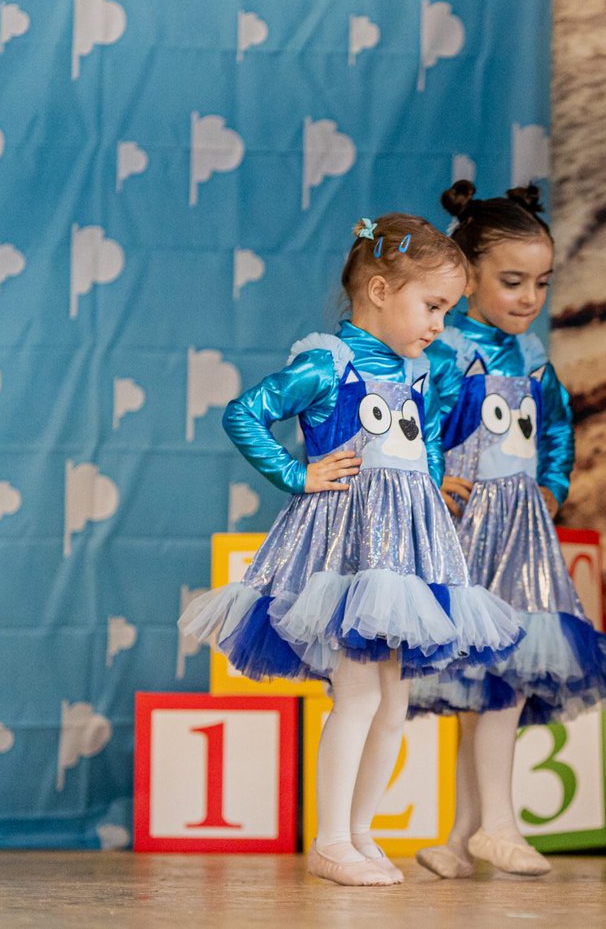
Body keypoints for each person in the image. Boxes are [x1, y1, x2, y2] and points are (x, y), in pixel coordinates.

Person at [180, 214, 522, 887]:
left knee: (394, 704)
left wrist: (430, 493)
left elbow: (425, 442)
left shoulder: (419, 370)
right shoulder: (327, 363)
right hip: (349, 555)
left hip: (405, 556)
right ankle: (331, 839)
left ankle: (361, 832)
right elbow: (244, 413)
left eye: (448, 310)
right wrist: (296, 473)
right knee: (359, 694)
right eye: (432, 306)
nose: (439, 324)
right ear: (379, 290)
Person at [410, 183, 606, 880]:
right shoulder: (446, 355)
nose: (530, 298)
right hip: (466, 538)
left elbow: (559, 428)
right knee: (496, 680)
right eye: (512, 282)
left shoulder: (532, 358)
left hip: (522, 536)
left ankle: (461, 836)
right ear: (466, 276)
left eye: (542, 283)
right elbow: (409, 427)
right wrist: (431, 480)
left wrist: (551, 487)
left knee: (497, 683)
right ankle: (497, 826)